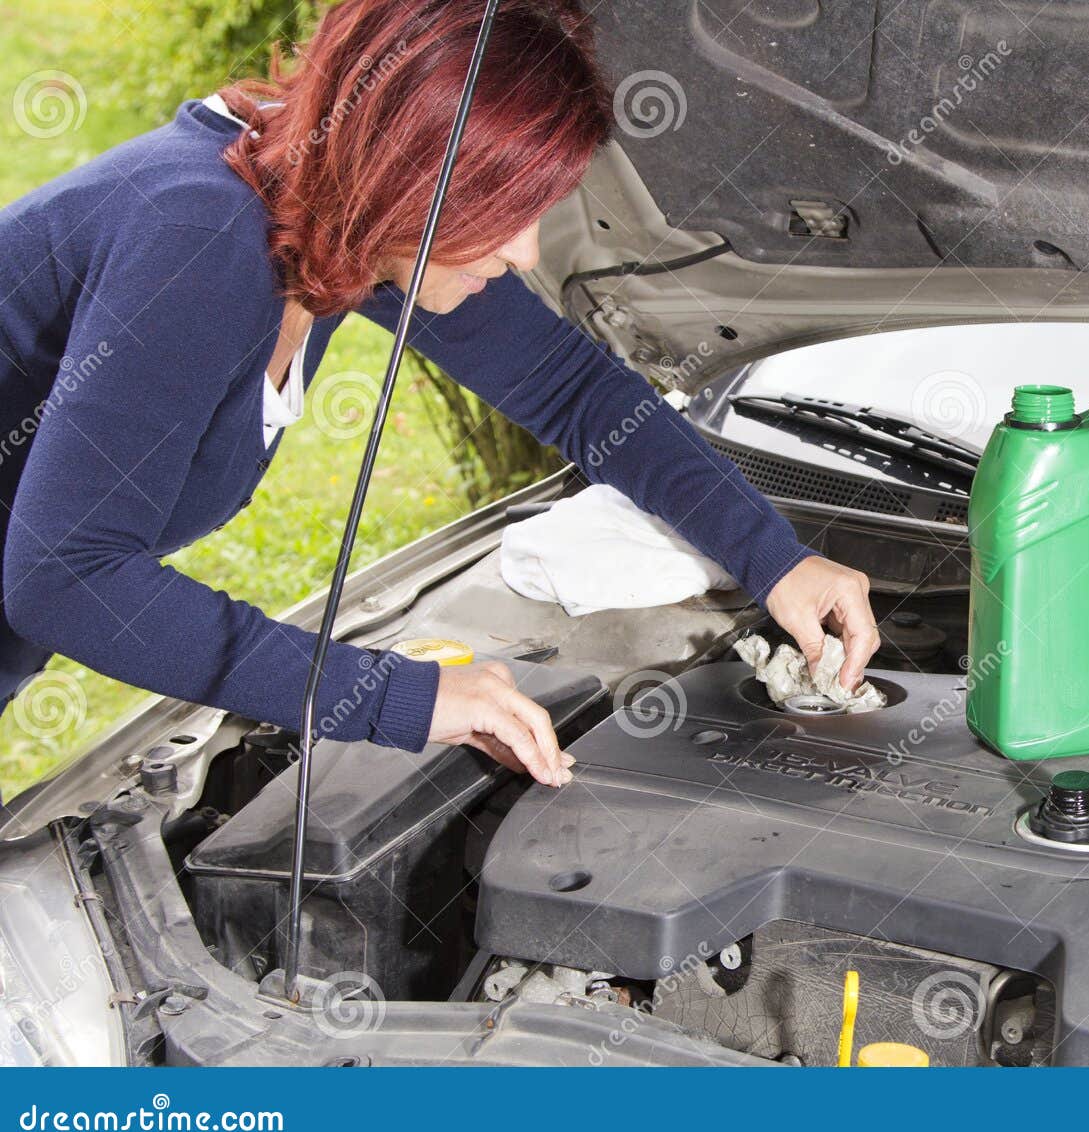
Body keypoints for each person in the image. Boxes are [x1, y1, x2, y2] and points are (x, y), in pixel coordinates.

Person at [0, 0, 879, 788]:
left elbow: (575, 390)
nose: (527, 253)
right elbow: (67, 575)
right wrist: (396, 695)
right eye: (505, 209)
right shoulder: (196, 239)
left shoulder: (332, 206)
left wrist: (777, 556)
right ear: (410, 174)